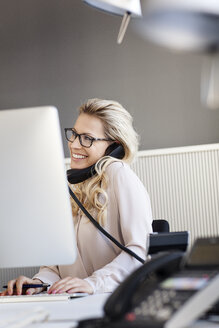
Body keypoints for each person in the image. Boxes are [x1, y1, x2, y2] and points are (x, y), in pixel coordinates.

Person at [1, 98, 152, 296]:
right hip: (74, 302)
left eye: (87, 138)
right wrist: (38, 282)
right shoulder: (72, 185)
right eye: (74, 135)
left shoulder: (119, 174)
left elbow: (140, 250)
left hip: (112, 300)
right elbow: (57, 266)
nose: (74, 144)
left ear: (114, 146)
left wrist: (94, 283)